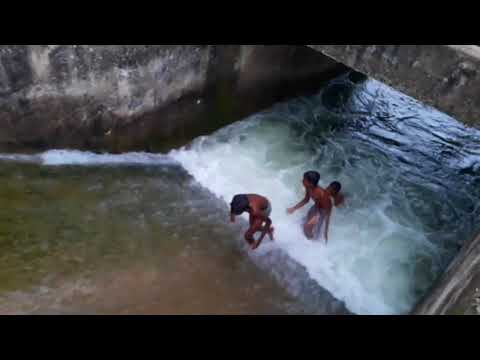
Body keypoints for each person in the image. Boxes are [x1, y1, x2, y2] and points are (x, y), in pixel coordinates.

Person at [287, 171, 332, 243]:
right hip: (317, 206)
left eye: (304, 180)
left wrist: (315, 217)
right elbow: (306, 200)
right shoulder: (308, 188)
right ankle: (310, 235)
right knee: (305, 221)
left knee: (309, 227)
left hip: (324, 210)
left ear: (310, 183)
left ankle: (312, 243)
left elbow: (322, 207)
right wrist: (294, 208)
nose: (302, 180)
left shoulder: (318, 192)